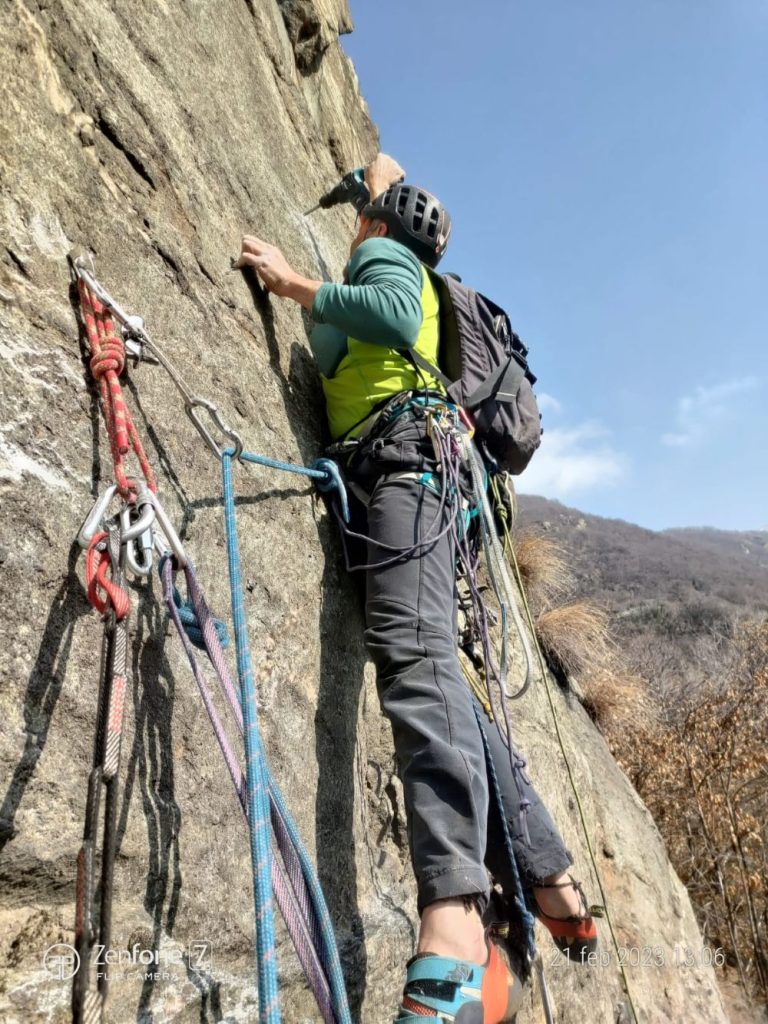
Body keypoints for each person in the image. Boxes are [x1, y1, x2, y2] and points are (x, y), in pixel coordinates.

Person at [237, 154, 597, 1023]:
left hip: (405, 469)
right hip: (417, 475)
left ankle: (456, 917)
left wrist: (295, 282)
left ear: (377, 224)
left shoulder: (384, 256)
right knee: (441, 676)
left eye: (365, 216)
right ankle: (550, 876)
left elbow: (390, 311)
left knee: (412, 664)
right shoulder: (396, 248)